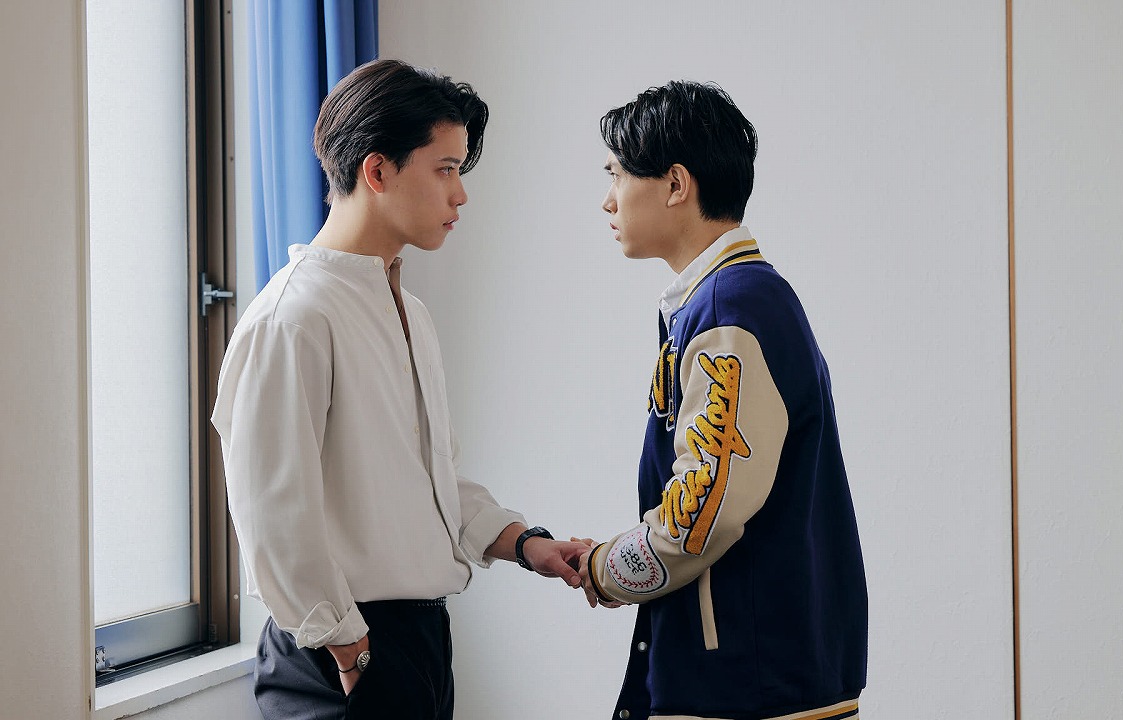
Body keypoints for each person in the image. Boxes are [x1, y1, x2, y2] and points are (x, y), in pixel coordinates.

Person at [211, 59, 589, 720]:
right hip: (341, 652)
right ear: (378, 171)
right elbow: (271, 513)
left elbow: (429, 481)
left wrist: (526, 543)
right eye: (445, 169)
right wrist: (350, 650)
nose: (460, 195)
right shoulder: (293, 318)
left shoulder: (407, 310)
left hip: (416, 642)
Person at [577, 81, 869, 720]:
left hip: (748, 684)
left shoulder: (729, 307)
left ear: (676, 184)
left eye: (617, 174)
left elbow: (700, 517)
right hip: (762, 676)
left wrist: (604, 568)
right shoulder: (724, 300)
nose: (607, 199)